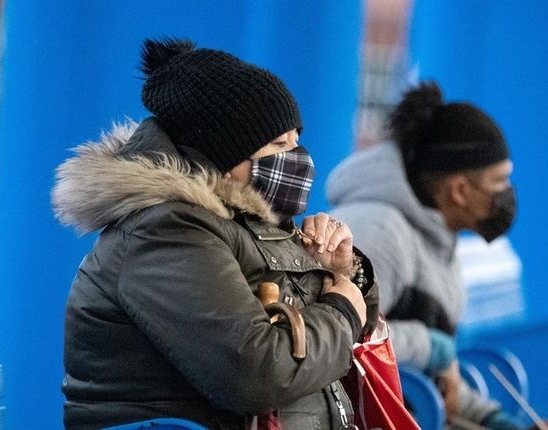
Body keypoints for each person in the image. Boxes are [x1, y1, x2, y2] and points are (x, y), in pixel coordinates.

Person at [52, 38, 378, 430]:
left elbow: (355, 329)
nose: (297, 158)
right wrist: (342, 310)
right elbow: (254, 372)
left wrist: (343, 272)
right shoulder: (166, 232)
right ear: (220, 156)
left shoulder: (246, 223)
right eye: (278, 144)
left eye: (296, 140)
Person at [327, 82, 548, 430]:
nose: (508, 194)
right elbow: (342, 340)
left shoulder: (439, 237)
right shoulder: (381, 232)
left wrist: (492, 419)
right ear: (460, 190)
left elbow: (435, 378)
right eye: (500, 181)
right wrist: (432, 346)